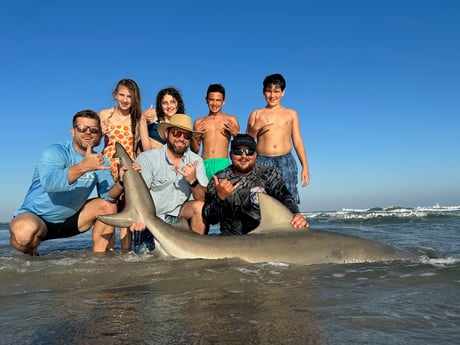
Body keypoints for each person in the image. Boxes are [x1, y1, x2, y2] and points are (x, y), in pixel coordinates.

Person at [9, 110, 125, 255]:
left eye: (94, 130)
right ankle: (32, 256)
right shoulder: (55, 151)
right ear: (73, 131)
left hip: (72, 220)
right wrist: (84, 167)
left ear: (99, 134)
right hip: (38, 217)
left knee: (108, 206)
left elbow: (108, 196)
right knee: (23, 234)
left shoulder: (100, 160)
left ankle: (98, 260)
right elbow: (51, 184)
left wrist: (121, 182)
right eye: (82, 128)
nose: (88, 133)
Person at [131, 114, 208, 253]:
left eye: (186, 136)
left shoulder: (196, 161)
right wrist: (139, 217)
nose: (181, 139)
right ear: (167, 133)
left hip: (179, 220)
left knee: (200, 207)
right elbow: (138, 196)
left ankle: (197, 252)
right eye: (177, 133)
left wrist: (193, 180)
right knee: (143, 266)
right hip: (151, 220)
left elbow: (202, 199)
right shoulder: (148, 158)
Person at [202, 134, 308, 235]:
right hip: (230, 239)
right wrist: (220, 198)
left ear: (255, 155)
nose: (244, 156)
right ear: (230, 155)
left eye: (249, 151)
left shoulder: (268, 174)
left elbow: (285, 195)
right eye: (238, 151)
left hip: (266, 236)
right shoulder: (219, 179)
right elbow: (211, 219)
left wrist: (295, 213)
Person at [246, 73, 310, 203]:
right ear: (263, 92)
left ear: (283, 93)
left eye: (276, 91)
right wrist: (256, 127)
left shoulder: (291, 114)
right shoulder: (256, 113)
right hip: (261, 161)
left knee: (287, 198)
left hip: (286, 161)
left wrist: (305, 166)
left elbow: (297, 141)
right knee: (259, 201)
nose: (272, 95)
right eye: (269, 91)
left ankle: (288, 223)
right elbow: (247, 142)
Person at [99, 78, 142, 251]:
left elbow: (143, 146)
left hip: (128, 168)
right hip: (107, 168)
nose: (125, 100)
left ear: (135, 99)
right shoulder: (104, 114)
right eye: (121, 95)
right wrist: (101, 130)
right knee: (109, 208)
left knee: (126, 211)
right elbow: (92, 142)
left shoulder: (137, 119)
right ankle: (107, 251)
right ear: (115, 95)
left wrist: (141, 166)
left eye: (129, 97)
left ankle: (125, 252)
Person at [191, 83, 240, 179]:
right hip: (204, 163)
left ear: (224, 101)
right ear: (206, 100)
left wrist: (236, 134)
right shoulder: (199, 122)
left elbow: (240, 145)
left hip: (223, 163)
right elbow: (195, 150)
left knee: (223, 193)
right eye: (211, 100)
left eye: (218, 100)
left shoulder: (231, 119)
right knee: (203, 193)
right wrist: (194, 136)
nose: (214, 103)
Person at [138, 87, 186, 152]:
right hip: (142, 157)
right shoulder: (154, 115)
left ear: (178, 103)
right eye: (165, 103)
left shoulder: (182, 123)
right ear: (160, 105)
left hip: (162, 160)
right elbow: (134, 121)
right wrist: (143, 116)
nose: (169, 106)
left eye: (172, 102)